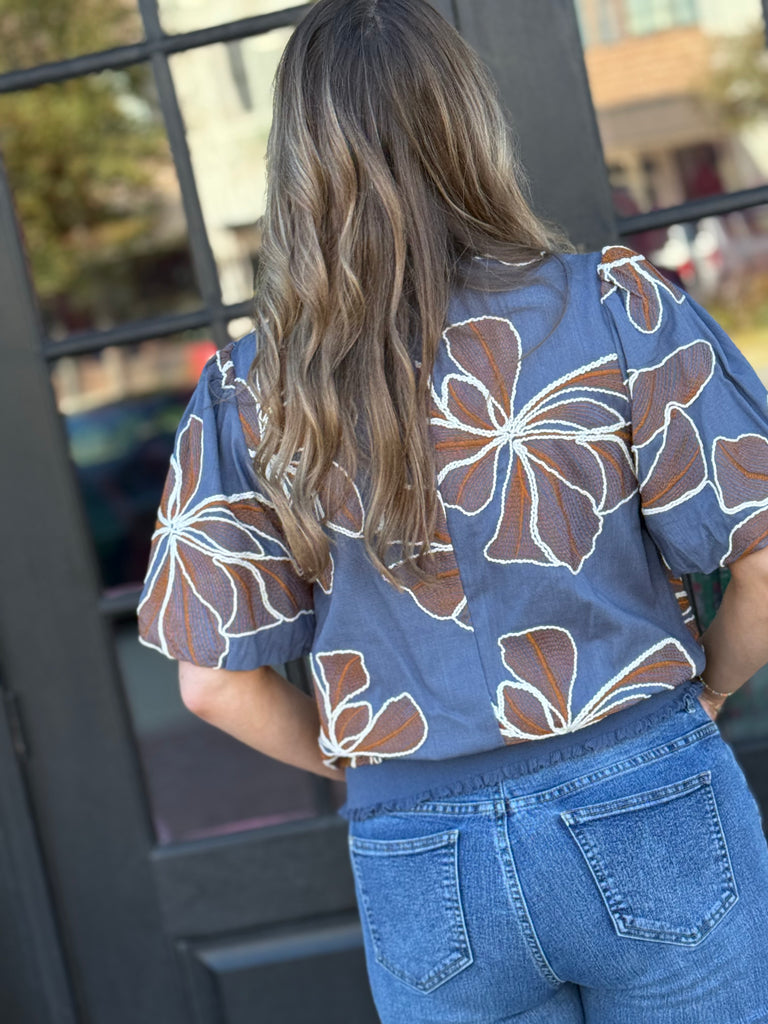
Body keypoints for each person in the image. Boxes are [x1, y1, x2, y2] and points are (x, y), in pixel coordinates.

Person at [137, 1, 768, 1020]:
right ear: (466, 125)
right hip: (645, 794)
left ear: (300, 160)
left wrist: (359, 765)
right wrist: (714, 686)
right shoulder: (615, 305)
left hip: (420, 847)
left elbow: (211, 684)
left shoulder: (251, 391)